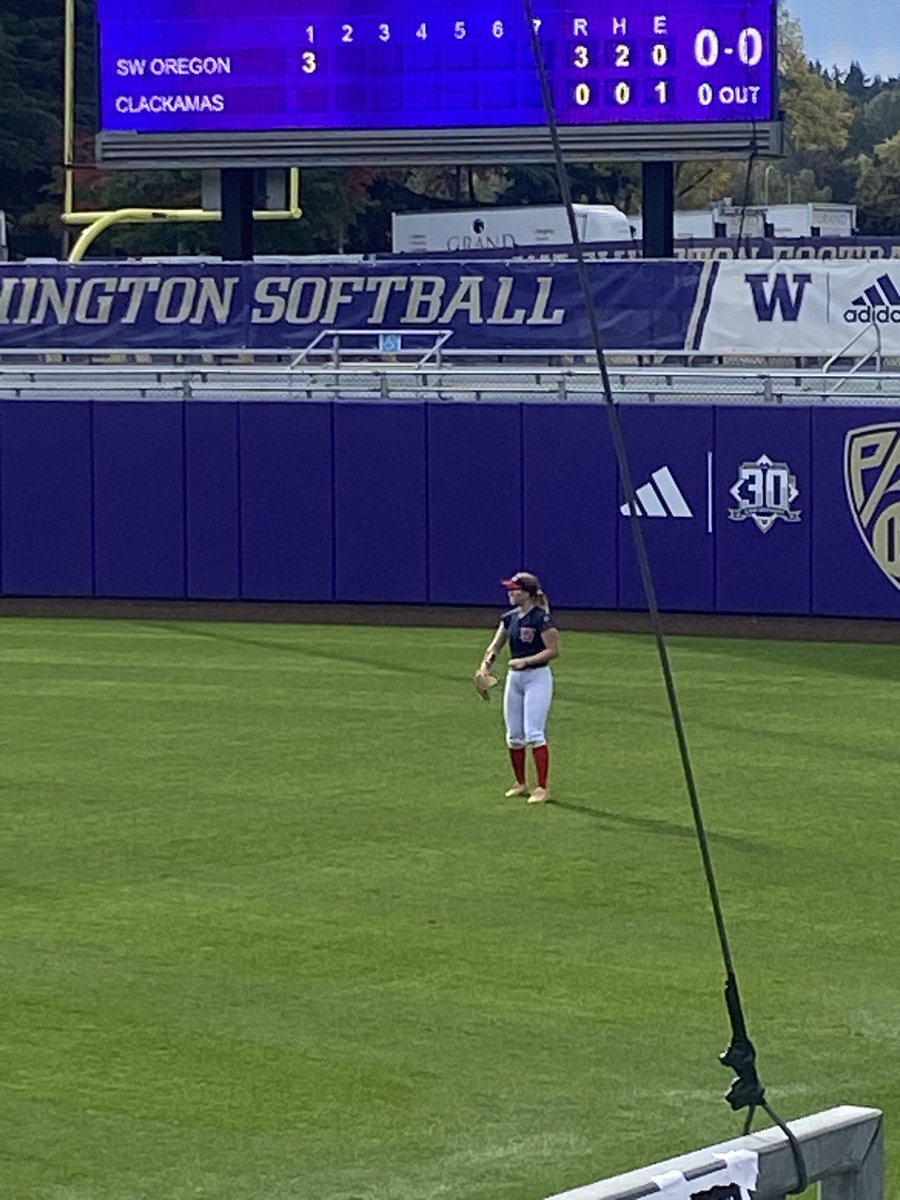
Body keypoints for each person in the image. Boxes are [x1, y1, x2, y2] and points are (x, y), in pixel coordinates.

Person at [475, 571, 560, 804]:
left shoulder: (541, 619)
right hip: (515, 678)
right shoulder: (509, 618)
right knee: (513, 735)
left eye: (516, 590)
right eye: (510, 589)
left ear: (529, 594)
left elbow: (553, 650)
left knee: (534, 732)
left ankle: (542, 787)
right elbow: (495, 647)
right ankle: (520, 783)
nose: (511, 593)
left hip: (537, 677)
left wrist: (527, 660)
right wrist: (484, 667)